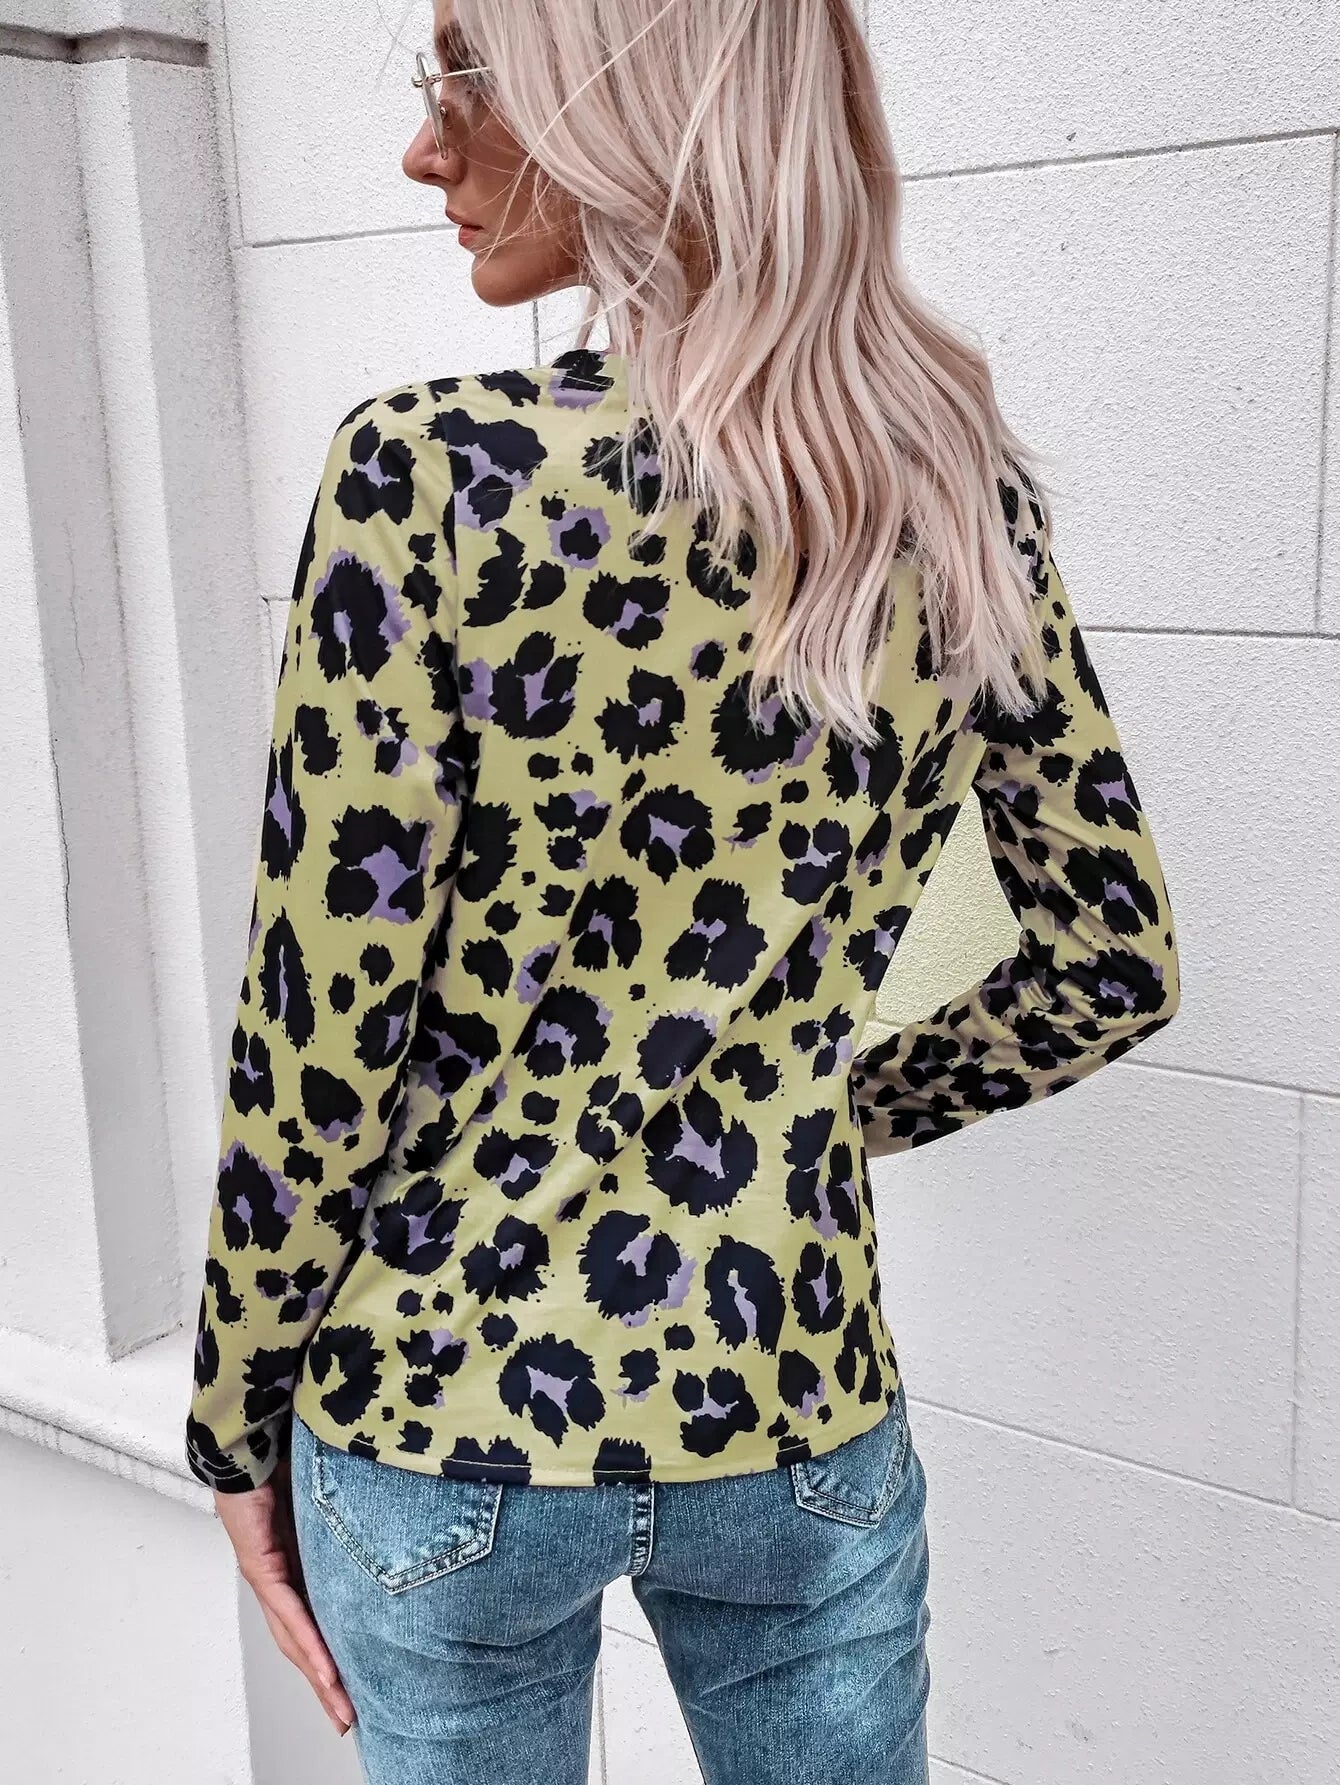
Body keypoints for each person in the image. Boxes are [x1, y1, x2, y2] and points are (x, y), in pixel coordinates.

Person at [182, 4, 1180, 1781]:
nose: (425, 144)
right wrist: (816, 1113)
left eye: (465, 73)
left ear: (624, 99)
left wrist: (234, 1417)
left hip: (441, 1405)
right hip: (794, 1392)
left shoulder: (426, 481)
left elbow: (320, 1043)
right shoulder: (954, 499)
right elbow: (1109, 959)